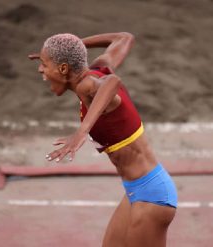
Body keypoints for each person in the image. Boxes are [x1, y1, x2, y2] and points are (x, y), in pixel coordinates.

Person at [29, 32, 177, 247]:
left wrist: (82, 131)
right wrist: (73, 47)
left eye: (44, 63)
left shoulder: (89, 85)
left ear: (63, 69)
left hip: (152, 195)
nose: (40, 69)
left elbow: (113, 82)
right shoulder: (97, 69)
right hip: (135, 190)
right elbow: (124, 38)